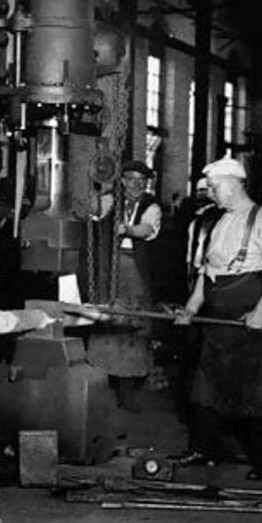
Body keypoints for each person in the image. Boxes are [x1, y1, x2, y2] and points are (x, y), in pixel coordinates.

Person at [174, 156, 262, 481]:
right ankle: (204, 449)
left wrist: (260, 312)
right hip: (216, 323)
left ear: (230, 184)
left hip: (248, 323)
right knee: (204, 391)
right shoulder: (219, 221)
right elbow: (206, 274)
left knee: (253, 396)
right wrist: (191, 309)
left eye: (213, 187)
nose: (210, 193)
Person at [87, 160, 162, 412]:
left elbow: (147, 228)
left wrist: (127, 228)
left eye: (141, 181)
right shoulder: (112, 198)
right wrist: (98, 188)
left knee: (133, 328)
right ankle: (102, 385)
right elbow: (93, 211)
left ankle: (128, 393)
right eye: (130, 179)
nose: (136, 185)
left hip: (134, 272)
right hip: (109, 270)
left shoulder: (151, 205)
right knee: (106, 324)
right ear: (122, 181)